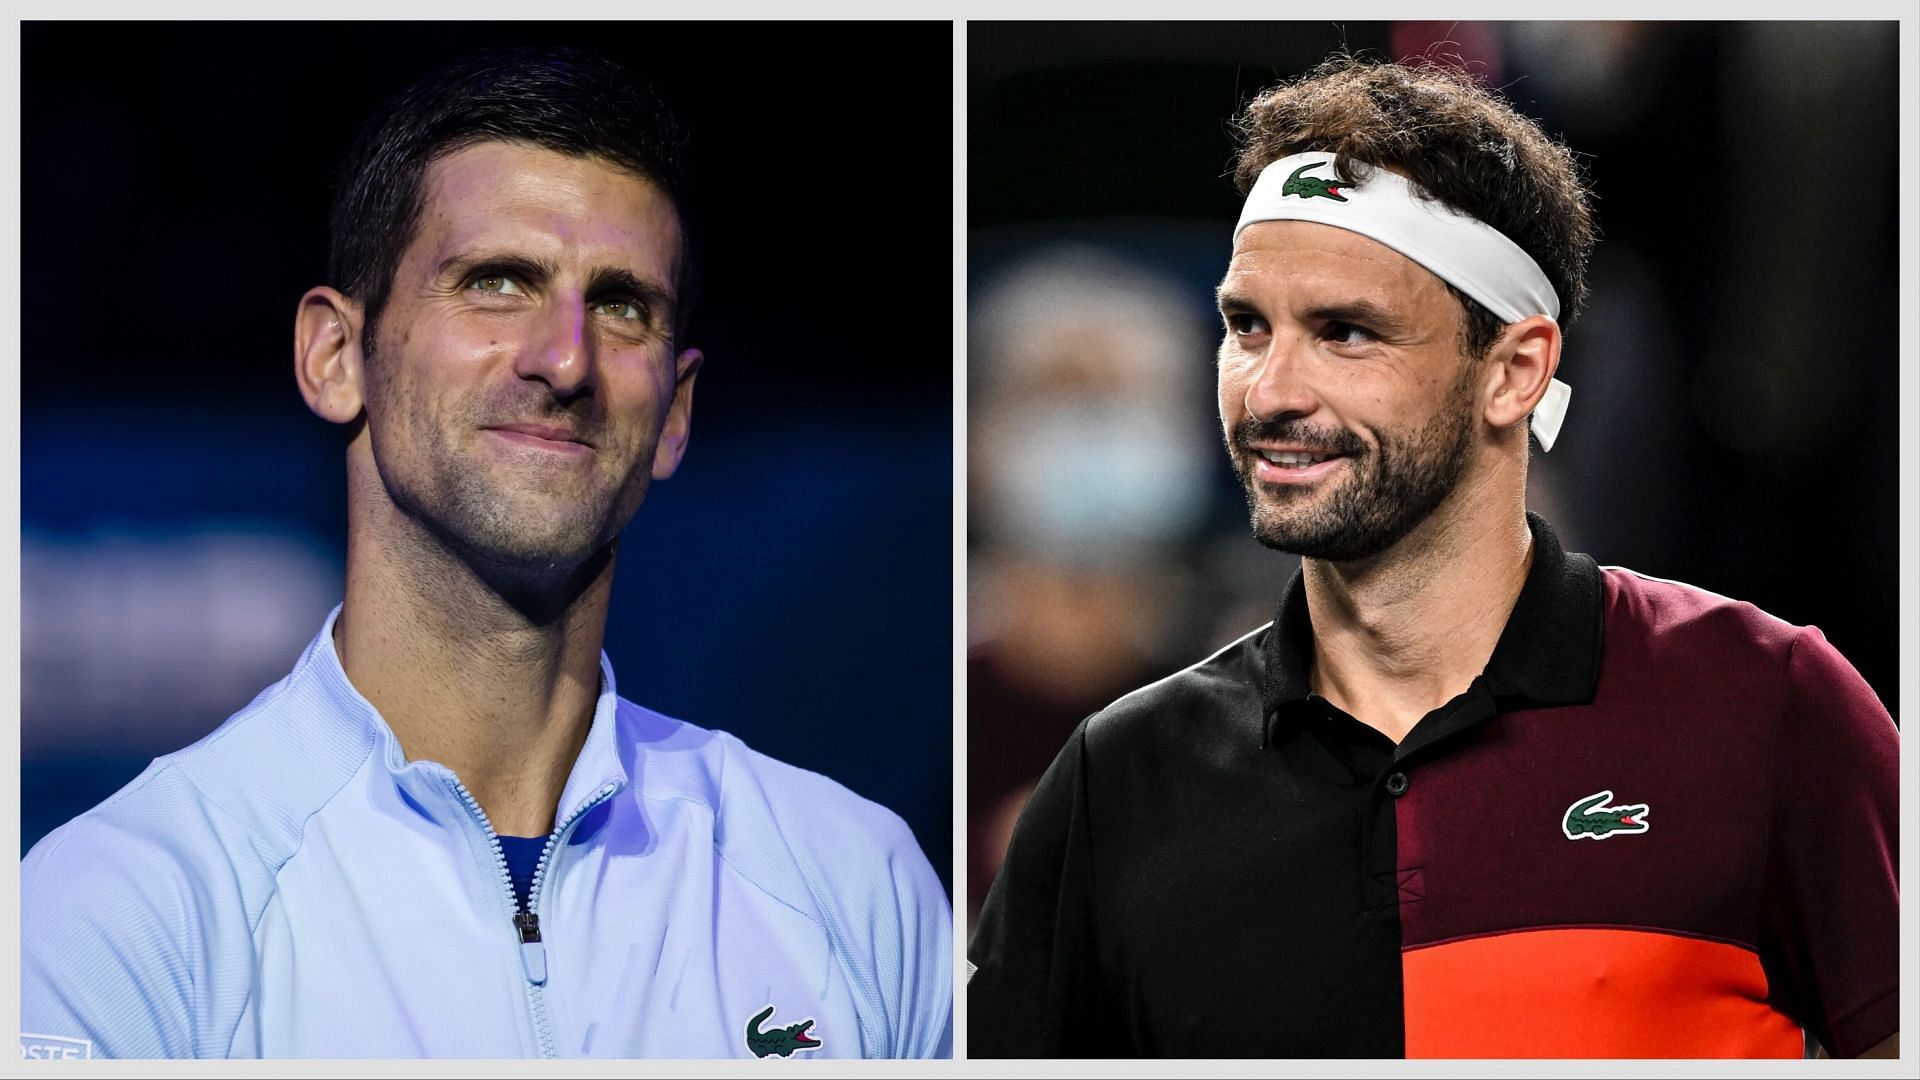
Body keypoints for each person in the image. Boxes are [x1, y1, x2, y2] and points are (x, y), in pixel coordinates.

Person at [20, 47, 951, 1060]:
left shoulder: (853, 883)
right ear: (336, 359)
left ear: (676, 413)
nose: (564, 359)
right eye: (498, 282)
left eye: (621, 304)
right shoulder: (123, 911)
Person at [966, 55, 1897, 1059]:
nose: (1271, 391)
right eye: (1248, 326)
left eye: (1346, 333)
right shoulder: (1119, 779)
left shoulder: (1767, 702)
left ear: (1514, 373)